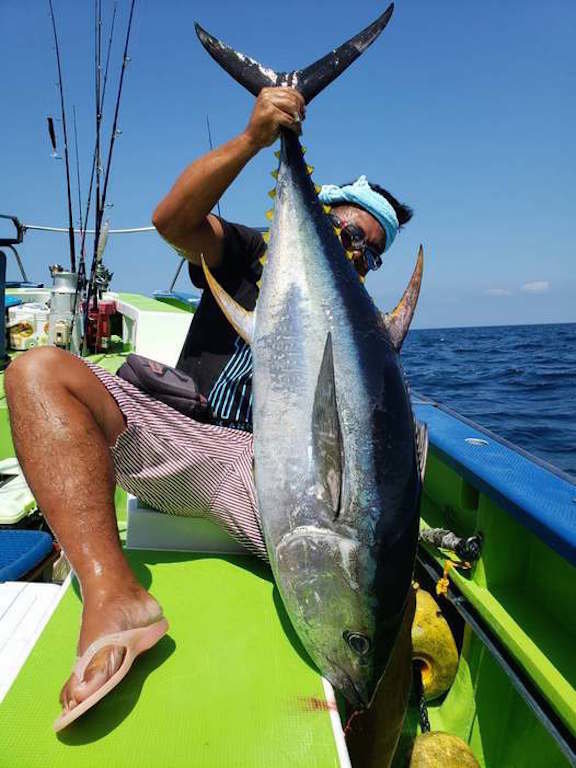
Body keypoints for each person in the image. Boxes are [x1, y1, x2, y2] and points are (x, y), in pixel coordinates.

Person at [5, 87, 413, 724]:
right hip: (199, 440)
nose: (356, 250)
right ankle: (113, 597)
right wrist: (256, 138)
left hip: (274, 484)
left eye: (371, 249)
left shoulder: (361, 327)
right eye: (346, 230)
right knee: (37, 372)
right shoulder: (253, 252)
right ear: (319, 212)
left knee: (398, 603)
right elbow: (172, 220)